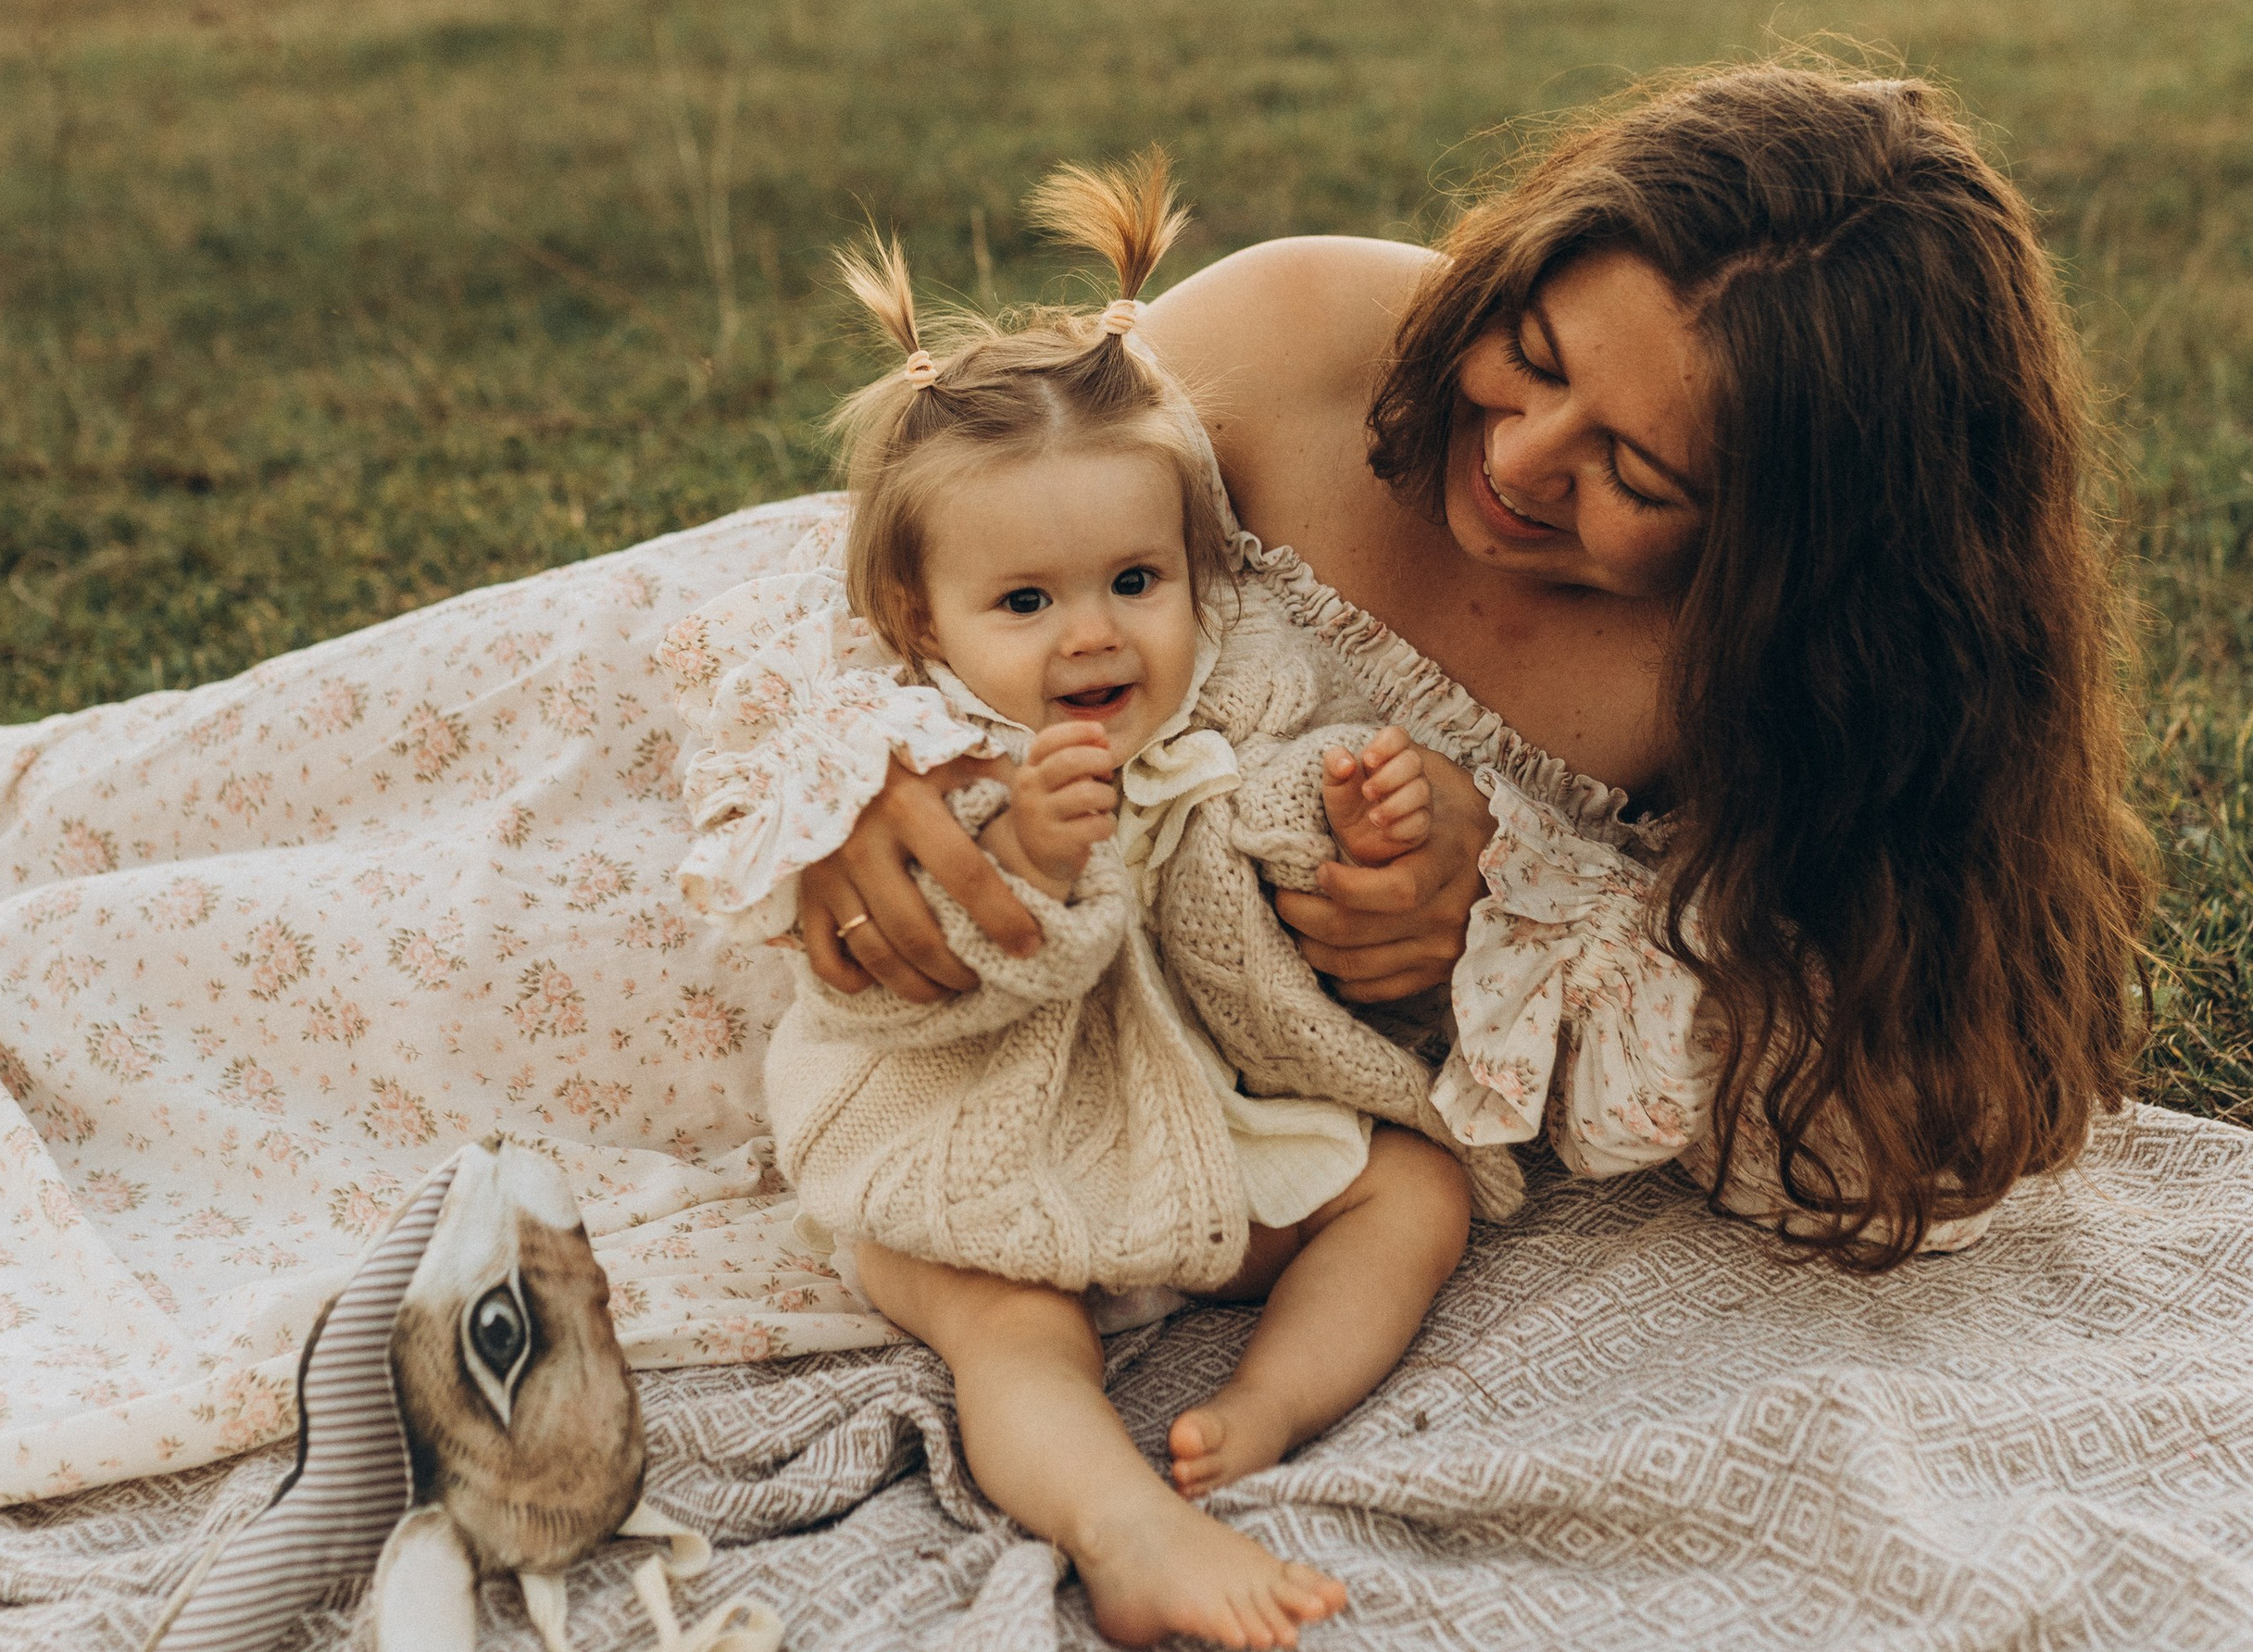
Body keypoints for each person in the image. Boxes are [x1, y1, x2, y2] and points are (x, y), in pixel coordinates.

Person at [783, 64, 2154, 1271]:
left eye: (1635, 470)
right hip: (903, 987)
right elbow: (940, 527)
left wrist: (1504, 928)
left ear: (1797, 542)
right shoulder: (1301, 335)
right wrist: (858, 754)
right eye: (1534, 355)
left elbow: (1920, 1119)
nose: (1514, 459)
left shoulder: (1779, 682)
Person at [675, 156, 1499, 1652]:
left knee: (1413, 1190)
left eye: (1134, 578)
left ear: (1199, 569)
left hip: (1192, 1126)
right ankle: (1124, 1530)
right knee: (1013, 1335)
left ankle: (1267, 1405)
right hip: (969, 1141)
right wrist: (1034, 871)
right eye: (1028, 603)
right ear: (924, 621)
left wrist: (1353, 814)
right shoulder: (923, 758)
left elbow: (1279, 797)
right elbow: (878, 973)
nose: (1094, 635)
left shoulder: (1235, 685)